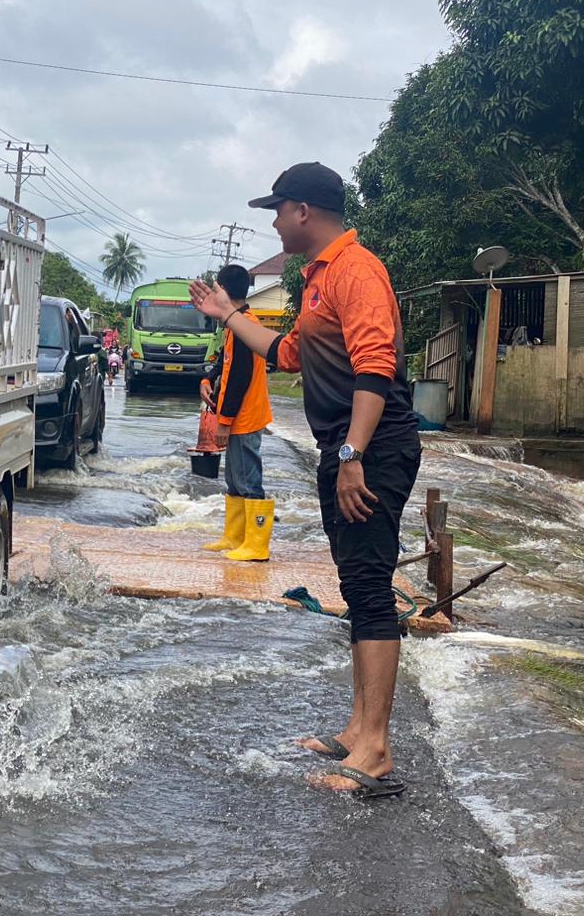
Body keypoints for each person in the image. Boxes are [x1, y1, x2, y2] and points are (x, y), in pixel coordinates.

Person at [189, 162, 421, 798]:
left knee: (371, 587)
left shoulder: (358, 271)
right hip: (348, 449)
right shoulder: (319, 279)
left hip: (371, 449)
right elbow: (288, 353)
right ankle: (359, 728)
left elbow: (375, 372)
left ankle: (375, 749)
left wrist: (350, 456)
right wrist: (228, 311)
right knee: (356, 583)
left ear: (305, 212)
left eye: (279, 208)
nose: (273, 220)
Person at [198, 264, 273, 560]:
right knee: (234, 479)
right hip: (237, 416)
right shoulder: (235, 325)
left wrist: (225, 422)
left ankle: (257, 545)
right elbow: (225, 365)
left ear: (225, 292)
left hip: (245, 417)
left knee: (248, 480)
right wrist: (207, 379)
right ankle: (234, 537)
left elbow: (240, 378)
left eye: (216, 289)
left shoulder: (246, 326)